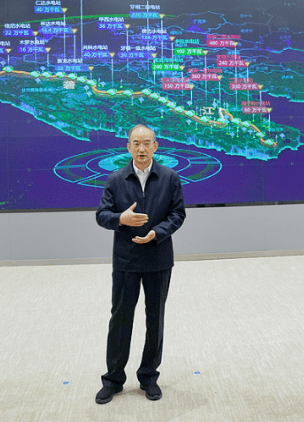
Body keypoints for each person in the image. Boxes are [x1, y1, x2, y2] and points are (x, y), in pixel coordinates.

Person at [95, 124, 186, 404]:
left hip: (158, 259)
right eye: (136, 143)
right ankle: (113, 380)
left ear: (155, 146)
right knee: (120, 320)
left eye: (147, 143)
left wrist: (157, 232)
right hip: (126, 261)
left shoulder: (170, 177)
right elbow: (101, 215)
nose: (142, 149)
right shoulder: (115, 179)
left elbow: (178, 214)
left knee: (155, 320)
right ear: (128, 147)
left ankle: (148, 377)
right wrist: (120, 219)